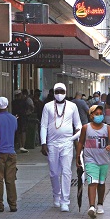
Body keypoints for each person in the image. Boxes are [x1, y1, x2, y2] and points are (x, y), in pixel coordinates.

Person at [41, 83, 82, 212]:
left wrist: (76, 136)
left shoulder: (72, 106)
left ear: (65, 92)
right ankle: (56, 195)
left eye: (61, 91)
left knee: (66, 171)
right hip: (52, 143)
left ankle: (65, 201)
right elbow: (43, 125)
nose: (59, 94)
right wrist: (43, 142)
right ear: (53, 92)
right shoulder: (47, 106)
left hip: (67, 143)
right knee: (54, 172)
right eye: (57, 91)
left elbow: (78, 124)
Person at [76, 104, 110, 218]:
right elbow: (81, 142)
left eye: (100, 114)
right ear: (91, 115)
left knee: (101, 183)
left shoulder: (107, 128)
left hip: (103, 160)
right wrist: (78, 156)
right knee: (93, 182)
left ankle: (100, 204)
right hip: (90, 159)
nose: (99, 116)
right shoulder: (86, 128)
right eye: (96, 114)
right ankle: (91, 206)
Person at [0, 97, 18, 213]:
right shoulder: (13, 118)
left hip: (0, 152)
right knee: (10, 179)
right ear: (7, 105)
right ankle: (13, 204)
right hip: (11, 152)